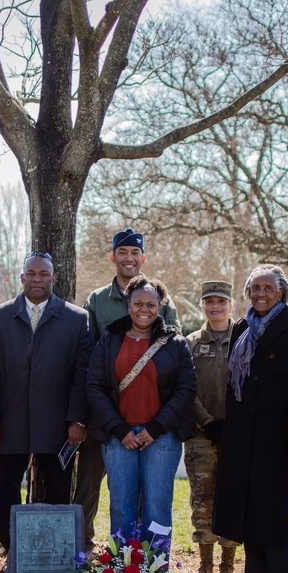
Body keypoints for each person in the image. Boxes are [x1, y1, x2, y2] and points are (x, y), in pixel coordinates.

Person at [0, 252, 93, 554]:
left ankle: (53, 553)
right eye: (32, 273)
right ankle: (13, 551)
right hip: (8, 421)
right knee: (6, 490)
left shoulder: (76, 319)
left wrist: (77, 420)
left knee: (58, 489)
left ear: (54, 278)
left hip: (58, 424)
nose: (37, 278)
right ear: (22, 277)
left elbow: (83, 376)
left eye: (44, 273)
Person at [211, 265, 288, 573]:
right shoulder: (241, 326)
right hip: (241, 433)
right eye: (255, 288)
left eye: (268, 288)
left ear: (281, 293)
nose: (261, 294)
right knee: (246, 506)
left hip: (274, 434)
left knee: (269, 509)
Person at [78, 227, 179, 547]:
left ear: (143, 257)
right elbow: (88, 356)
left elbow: (174, 349)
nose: (129, 258)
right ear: (113, 257)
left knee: (150, 494)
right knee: (92, 482)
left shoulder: (161, 297)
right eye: (123, 252)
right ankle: (85, 541)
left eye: (135, 253)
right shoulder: (96, 300)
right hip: (107, 413)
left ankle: (146, 560)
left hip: (150, 410)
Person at [86, 275, 195, 547]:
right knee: (122, 506)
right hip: (118, 437)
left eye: (151, 304)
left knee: (157, 508)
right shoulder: (109, 342)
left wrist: (156, 429)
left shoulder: (175, 344)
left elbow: (186, 390)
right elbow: (95, 387)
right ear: (128, 304)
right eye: (138, 303)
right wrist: (120, 430)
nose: (143, 309)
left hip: (161, 438)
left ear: (161, 306)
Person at [183, 280, 240, 573]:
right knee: (202, 501)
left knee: (230, 500)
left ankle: (227, 570)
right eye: (209, 301)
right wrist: (207, 423)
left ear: (230, 304)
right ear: (202, 305)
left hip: (235, 436)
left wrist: (233, 425)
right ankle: (205, 566)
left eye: (221, 301)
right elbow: (186, 389)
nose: (215, 306)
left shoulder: (244, 339)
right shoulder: (192, 343)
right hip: (201, 436)